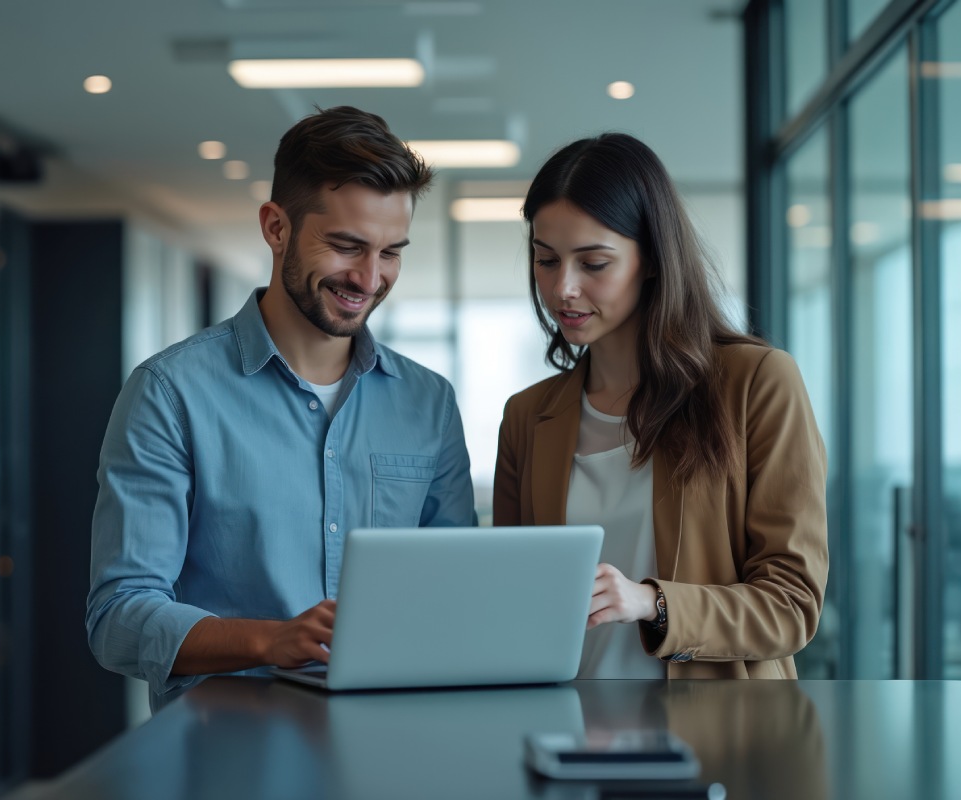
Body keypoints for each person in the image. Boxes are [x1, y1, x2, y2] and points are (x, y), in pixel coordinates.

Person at [87, 106, 476, 710]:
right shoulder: (170, 393)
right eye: (347, 246)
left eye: (391, 252)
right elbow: (119, 617)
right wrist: (274, 640)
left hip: (390, 745)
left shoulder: (428, 403)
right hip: (228, 756)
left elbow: (455, 593)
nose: (370, 278)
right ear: (276, 228)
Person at [493, 133, 827, 679]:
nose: (564, 289)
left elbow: (792, 605)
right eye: (546, 260)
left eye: (593, 263)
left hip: (719, 741)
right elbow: (510, 601)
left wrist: (653, 603)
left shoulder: (758, 384)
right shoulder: (528, 417)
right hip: (568, 736)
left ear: (651, 259)